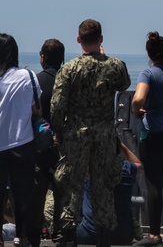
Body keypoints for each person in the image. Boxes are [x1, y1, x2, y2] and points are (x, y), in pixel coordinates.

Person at [50, 19, 131, 247]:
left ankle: (68, 235)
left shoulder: (69, 69)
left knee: (72, 184)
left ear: (78, 40)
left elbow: (57, 106)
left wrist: (59, 132)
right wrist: (106, 58)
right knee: (103, 185)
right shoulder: (114, 66)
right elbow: (124, 84)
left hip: (76, 135)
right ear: (101, 40)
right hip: (104, 134)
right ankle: (104, 235)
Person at [131, 32, 163, 247]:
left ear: (149, 54)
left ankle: (154, 234)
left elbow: (138, 98)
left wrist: (137, 111)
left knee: (154, 185)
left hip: (153, 135)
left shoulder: (148, 73)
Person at [0, 33, 39, 247]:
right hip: (22, 142)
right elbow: (35, 109)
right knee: (23, 194)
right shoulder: (28, 76)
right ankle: (23, 238)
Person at [29, 38, 64, 247]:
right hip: (64, 147)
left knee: (37, 196)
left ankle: (33, 237)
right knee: (62, 195)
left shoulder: (35, 82)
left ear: (42, 57)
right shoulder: (65, 81)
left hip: (39, 147)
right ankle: (62, 235)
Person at [75, 141, 142, 245]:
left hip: (90, 233)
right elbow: (138, 163)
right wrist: (120, 143)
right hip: (123, 235)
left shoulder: (90, 169)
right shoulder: (126, 169)